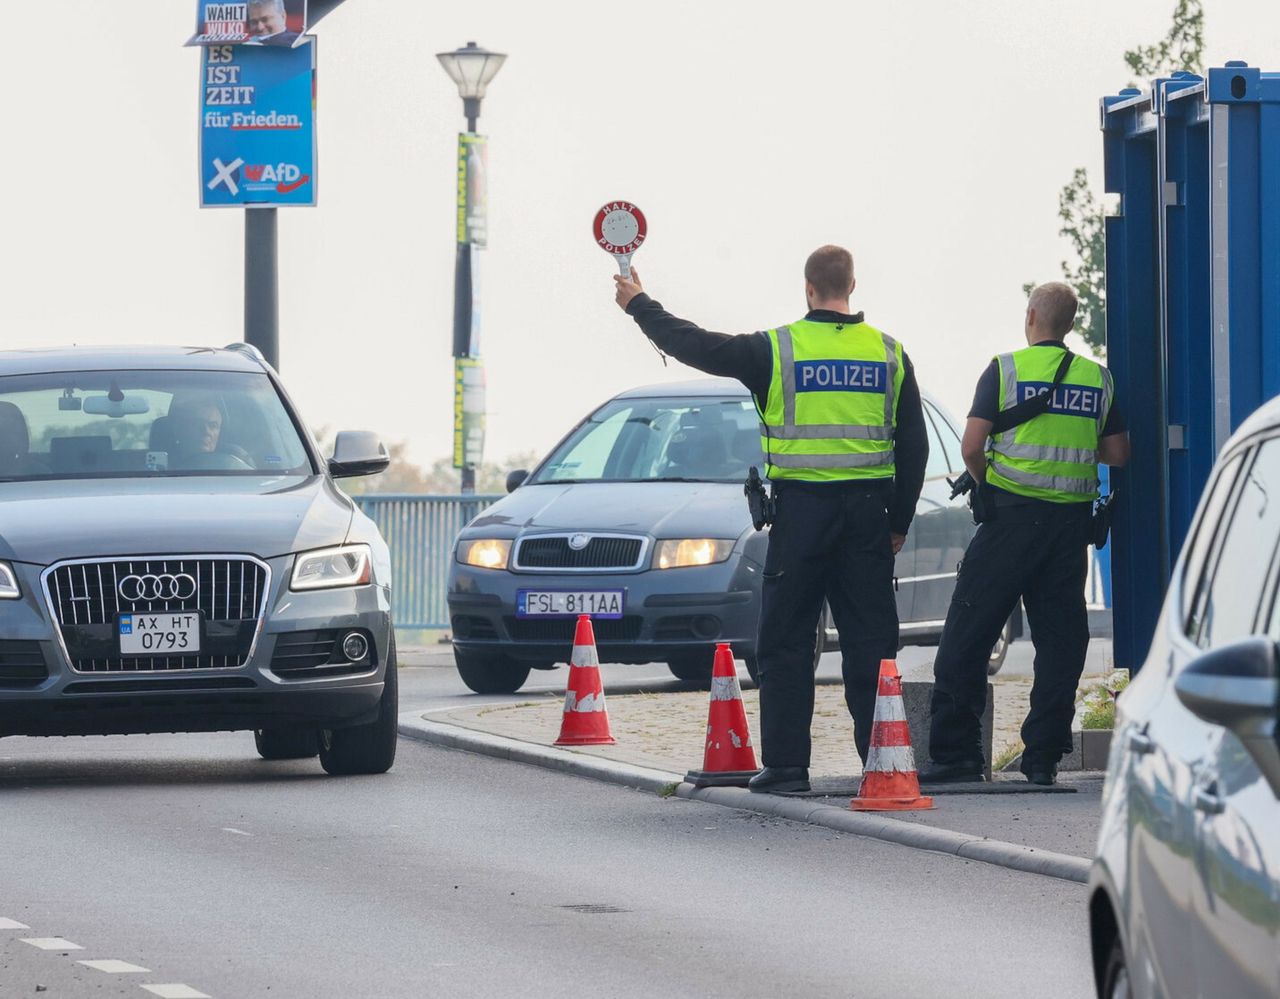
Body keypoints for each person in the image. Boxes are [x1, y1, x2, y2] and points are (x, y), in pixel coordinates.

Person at [614, 246, 928, 793]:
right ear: (852, 286)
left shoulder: (777, 350)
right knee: (871, 645)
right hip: (867, 517)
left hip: (802, 518)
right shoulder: (890, 354)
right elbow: (915, 447)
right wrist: (897, 520)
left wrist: (639, 303)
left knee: (785, 641)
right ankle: (884, 763)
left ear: (808, 289)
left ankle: (786, 768)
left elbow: (693, 344)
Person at [919, 282, 1131, 786]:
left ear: (1032, 315)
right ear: (1071, 323)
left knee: (968, 635)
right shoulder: (1096, 379)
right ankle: (1041, 758)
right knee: (1061, 644)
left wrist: (987, 482)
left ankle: (956, 756)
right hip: (1067, 532)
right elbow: (1119, 453)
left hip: (1009, 525)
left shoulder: (1005, 369)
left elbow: (972, 446)